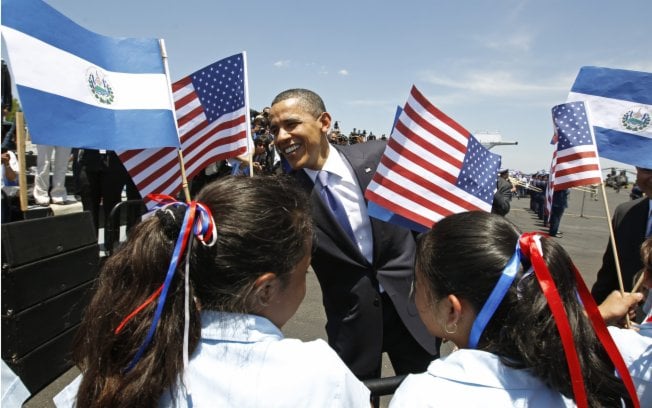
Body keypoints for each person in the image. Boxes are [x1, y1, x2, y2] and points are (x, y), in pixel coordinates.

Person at [53, 175, 370, 407]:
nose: (305, 282)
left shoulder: (123, 364)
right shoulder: (319, 374)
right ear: (266, 290)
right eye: (304, 271)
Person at [268, 89, 438, 382]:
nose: (281, 137)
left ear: (324, 122)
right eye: (274, 130)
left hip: (414, 314)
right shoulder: (285, 195)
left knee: (425, 396)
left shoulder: (382, 157)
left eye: (291, 124)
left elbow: (425, 229)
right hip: (351, 325)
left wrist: (438, 298)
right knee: (359, 398)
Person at [391, 211, 636, 407]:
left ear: (452, 311)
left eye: (418, 284)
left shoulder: (423, 395)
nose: (413, 292)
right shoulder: (579, 377)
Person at [592, 166, 652, 304]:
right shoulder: (625, 213)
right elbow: (608, 274)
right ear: (637, 169)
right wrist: (597, 313)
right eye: (647, 170)